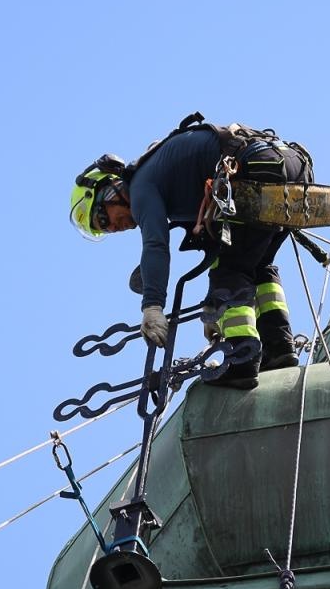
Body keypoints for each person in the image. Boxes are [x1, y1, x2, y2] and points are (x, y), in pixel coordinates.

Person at [69, 117, 311, 390]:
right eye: (107, 230)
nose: (114, 227)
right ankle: (279, 349)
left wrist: (152, 306)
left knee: (231, 271)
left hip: (257, 169)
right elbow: (215, 246)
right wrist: (216, 310)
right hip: (290, 167)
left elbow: (155, 246)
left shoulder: (140, 188)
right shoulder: (166, 178)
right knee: (256, 265)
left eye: (104, 219)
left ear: (107, 191)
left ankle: (242, 361)